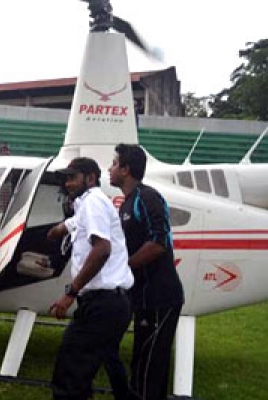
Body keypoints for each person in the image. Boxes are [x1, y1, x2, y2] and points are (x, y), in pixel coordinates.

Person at [48, 157, 133, 400]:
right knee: (83, 371)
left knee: (70, 373)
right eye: (66, 178)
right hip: (105, 304)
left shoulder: (94, 201)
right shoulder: (86, 205)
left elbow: (102, 249)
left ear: (90, 178)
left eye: (72, 177)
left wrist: (70, 293)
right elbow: (71, 225)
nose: (68, 183)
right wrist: (56, 231)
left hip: (103, 303)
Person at [109, 144, 184, 400]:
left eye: (114, 163)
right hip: (142, 297)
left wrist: (124, 266)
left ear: (126, 169)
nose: (110, 168)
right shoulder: (126, 204)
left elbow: (159, 243)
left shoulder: (147, 197)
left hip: (161, 297)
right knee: (142, 364)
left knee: (149, 367)